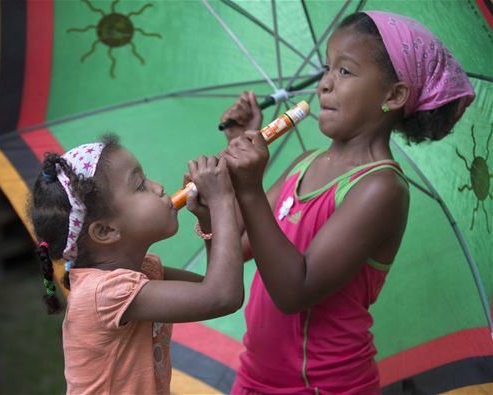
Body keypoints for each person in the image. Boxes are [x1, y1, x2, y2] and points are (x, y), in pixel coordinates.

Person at [220, 11, 475, 395]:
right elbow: (234, 248)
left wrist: (252, 189)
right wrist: (236, 148)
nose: (324, 84)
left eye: (345, 72)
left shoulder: (380, 188)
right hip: (253, 379)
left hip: (324, 387)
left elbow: (295, 291)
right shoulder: (302, 164)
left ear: (393, 95)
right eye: (327, 68)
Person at [29, 134, 243, 394]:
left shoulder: (143, 271)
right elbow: (222, 296)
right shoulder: (104, 293)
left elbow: (215, 286)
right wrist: (222, 200)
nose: (159, 187)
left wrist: (209, 217)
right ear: (106, 231)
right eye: (141, 185)